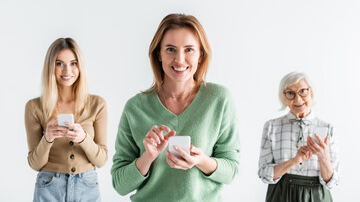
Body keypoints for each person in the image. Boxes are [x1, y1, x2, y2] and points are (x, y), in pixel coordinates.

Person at [111, 14, 240, 202]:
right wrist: (148, 157)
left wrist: (202, 161)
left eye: (189, 50)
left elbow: (232, 171)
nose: (180, 60)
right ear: (159, 54)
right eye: (170, 49)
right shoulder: (135, 108)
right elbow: (120, 185)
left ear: (200, 55)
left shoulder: (219, 99)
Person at [25, 38, 108, 202]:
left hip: (88, 187)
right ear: (51, 66)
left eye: (74, 63)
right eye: (59, 63)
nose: (67, 70)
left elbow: (101, 160)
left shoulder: (97, 104)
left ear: (80, 66)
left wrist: (83, 138)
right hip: (49, 187)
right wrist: (47, 139)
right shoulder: (34, 107)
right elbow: (35, 164)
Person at [258, 72, 339, 202]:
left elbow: (332, 183)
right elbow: (264, 174)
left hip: (317, 195)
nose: (297, 99)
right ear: (283, 97)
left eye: (303, 91)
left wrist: (324, 158)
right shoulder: (272, 126)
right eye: (290, 93)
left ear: (311, 92)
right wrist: (294, 161)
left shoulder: (328, 129)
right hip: (281, 195)